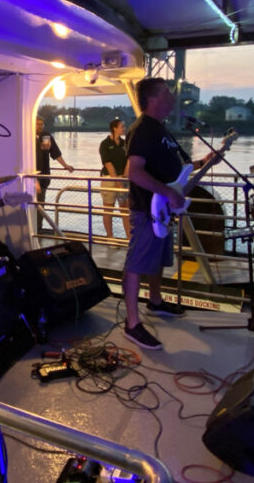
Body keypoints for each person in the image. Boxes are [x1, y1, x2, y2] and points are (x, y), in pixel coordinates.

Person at [122, 77, 216, 350]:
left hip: (162, 208)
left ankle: (155, 302)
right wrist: (168, 191)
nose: (172, 98)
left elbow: (180, 170)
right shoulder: (143, 130)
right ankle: (132, 324)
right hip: (146, 209)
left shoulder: (161, 130)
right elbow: (134, 171)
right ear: (152, 98)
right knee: (137, 263)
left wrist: (206, 162)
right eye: (166, 93)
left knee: (157, 260)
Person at [35, 115, 74, 231]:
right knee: (31, 204)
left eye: (42, 124)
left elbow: (55, 153)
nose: (40, 126)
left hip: (44, 176)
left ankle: (38, 229)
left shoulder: (46, 136)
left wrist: (66, 166)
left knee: (41, 204)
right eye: (38, 124)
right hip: (31, 177)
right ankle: (31, 229)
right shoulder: (26, 136)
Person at [99, 118, 130, 239]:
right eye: (122, 126)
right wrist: (117, 181)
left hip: (123, 178)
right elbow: (107, 163)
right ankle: (110, 237)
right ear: (114, 128)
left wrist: (124, 178)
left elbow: (129, 160)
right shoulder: (105, 144)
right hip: (109, 179)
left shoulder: (125, 144)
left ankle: (129, 238)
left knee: (125, 210)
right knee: (108, 209)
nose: (124, 128)